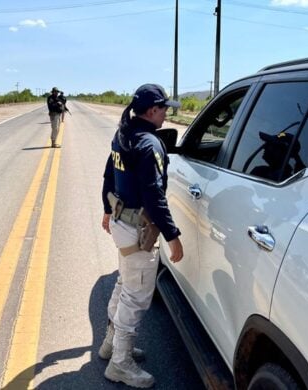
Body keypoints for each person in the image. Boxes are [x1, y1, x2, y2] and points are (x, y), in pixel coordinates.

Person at [100, 83, 184, 388]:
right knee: (136, 296)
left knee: (125, 282)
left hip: (122, 222)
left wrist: (106, 208)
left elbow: (110, 173)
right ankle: (120, 364)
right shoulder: (149, 144)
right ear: (152, 111)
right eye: (164, 109)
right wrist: (173, 235)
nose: (166, 115)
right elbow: (154, 196)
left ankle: (112, 345)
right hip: (137, 227)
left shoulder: (123, 133)